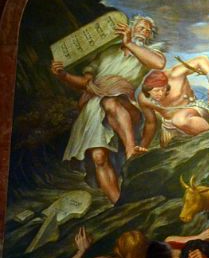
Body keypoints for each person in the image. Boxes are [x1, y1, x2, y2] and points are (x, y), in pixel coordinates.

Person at [51, 15, 166, 203]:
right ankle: (119, 203)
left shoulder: (147, 54)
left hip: (124, 106)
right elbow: (85, 83)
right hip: (94, 107)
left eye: (148, 30)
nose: (144, 32)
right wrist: (63, 75)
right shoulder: (107, 52)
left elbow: (159, 64)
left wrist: (129, 44)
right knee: (98, 157)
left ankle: (131, 153)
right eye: (140, 27)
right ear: (129, 27)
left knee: (111, 102)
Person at [137, 55, 209, 148]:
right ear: (148, 90)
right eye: (156, 91)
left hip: (193, 115)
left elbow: (201, 60)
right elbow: (151, 123)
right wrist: (143, 147)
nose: (161, 93)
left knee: (180, 120)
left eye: (163, 89)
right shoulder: (143, 99)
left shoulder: (175, 74)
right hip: (169, 128)